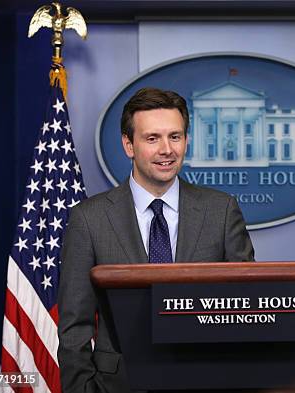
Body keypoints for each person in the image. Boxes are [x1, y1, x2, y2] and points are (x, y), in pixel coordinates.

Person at [57, 87, 254, 393]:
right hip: (117, 386)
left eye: (175, 136)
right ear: (128, 145)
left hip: (206, 385)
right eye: (152, 138)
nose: (167, 150)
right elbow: (74, 326)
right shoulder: (89, 219)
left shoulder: (222, 210)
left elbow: (246, 311)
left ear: (186, 141)